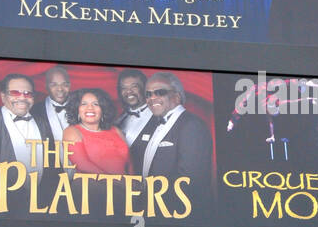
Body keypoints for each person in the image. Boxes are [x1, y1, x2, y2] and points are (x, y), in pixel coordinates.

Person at [0, 72, 51, 215]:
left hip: (38, 208)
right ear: (3, 96)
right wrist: (18, 196)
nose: (22, 97)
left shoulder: (42, 123)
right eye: (15, 92)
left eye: (27, 93)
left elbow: (49, 165)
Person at [137, 72, 213, 210]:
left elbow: (190, 180)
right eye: (148, 94)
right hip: (152, 211)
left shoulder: (192, 125)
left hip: (178, 214)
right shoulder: (153, 124)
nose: (152, 98)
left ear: (177, 97)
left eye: (160, 92)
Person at [62, 88, 131, 175]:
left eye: (96, 104)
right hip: (93, 186)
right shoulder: (71, 131)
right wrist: (117, 181)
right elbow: (82, 165)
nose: (90, 108)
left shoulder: (116, 130)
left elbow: (129, 162)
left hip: (124, 186)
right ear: (77, 109)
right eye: (84, 104)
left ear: (103, 109)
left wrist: (132, 181)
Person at [116, 69, 153, 171]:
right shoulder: (119, 120)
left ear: (145, 88)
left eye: (134, 86)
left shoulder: (158, 117)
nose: (128, 92)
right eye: (124, 88)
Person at [42, 65, 73, 143]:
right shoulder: (35, 111)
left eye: (64, 84)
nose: (60, 89)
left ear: (70, 85)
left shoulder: (81, 107)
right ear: (46, 87)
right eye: (53, 85)